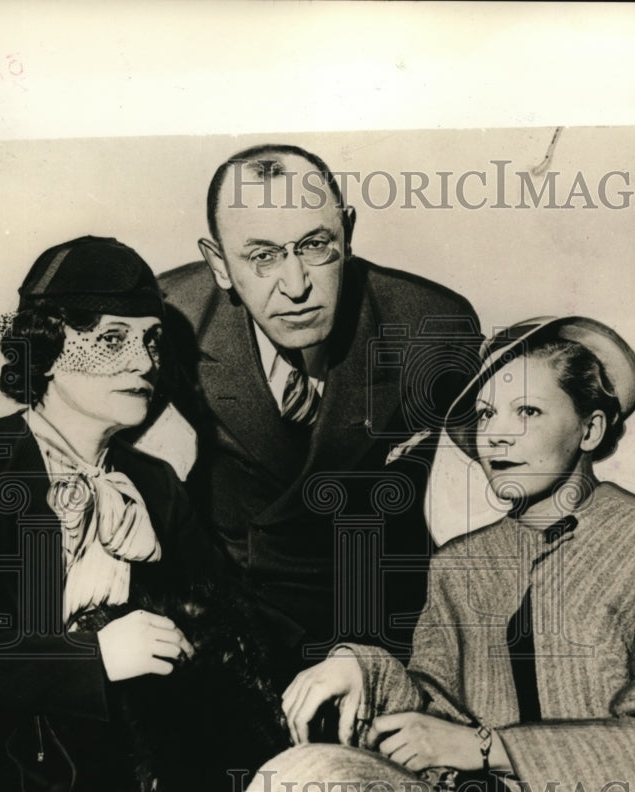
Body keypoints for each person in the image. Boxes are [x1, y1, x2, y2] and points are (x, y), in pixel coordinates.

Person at [188, 316, 635, 792]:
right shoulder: (460, 564)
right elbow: (431, 709)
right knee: (308, 777)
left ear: (589, 431)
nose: (496, 434)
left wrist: (485, 749)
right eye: (486, 414)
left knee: (319, 782)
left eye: (528, 412)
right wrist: (362, 669)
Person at [0, 236, 288, 792]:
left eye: (150, 340)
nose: (144, 362)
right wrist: (86, 660)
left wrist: (348, 657)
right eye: (113, 339)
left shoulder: (154, 484)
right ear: (47, 346)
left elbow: (237, 614)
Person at [154, 144, 482, 684]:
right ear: (218, 264)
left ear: (347, 234)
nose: (297, 284)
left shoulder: (431, 325)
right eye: (261, 256)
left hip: (381, 624)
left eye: (315, 245)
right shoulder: (172, 319)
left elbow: (499, 469)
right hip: (233, 621)